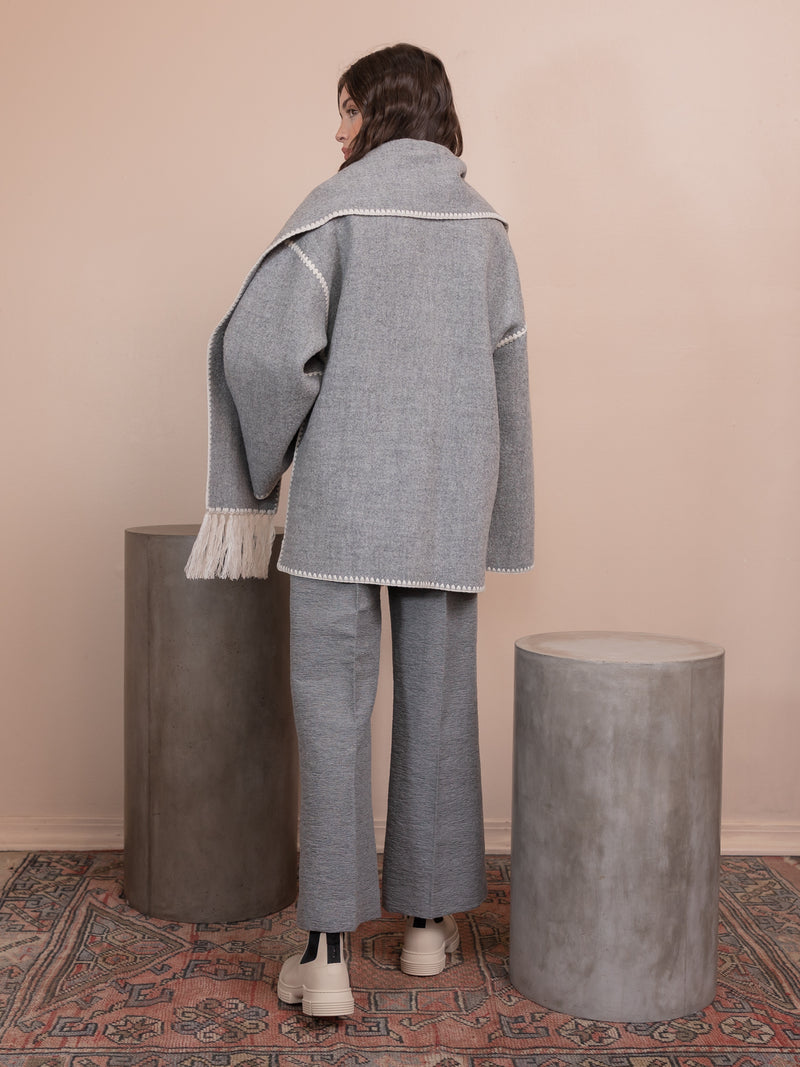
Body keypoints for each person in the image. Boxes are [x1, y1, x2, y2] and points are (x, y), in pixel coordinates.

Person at [186, 43, 533, 1017]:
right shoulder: (485, 228)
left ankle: (327, 954)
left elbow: (260, 350)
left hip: (342, 504)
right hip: (443, 505)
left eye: (345, 110)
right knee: (439, 705)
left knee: (332, 714)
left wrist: (266, 461)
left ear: (380, 111)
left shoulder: (332, 213)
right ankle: (424, 928)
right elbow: (507, 381)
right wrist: (496, 515)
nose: (336, 130)